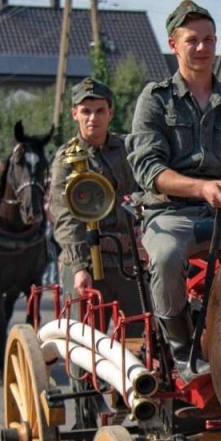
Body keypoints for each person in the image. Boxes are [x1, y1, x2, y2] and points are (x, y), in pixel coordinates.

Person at [129, 0, 221, 377]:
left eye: (209, 39)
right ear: (174, 45)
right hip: (169, 212)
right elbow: (150, 170)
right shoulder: (154, 99)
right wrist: (201, 188)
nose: (202, 47)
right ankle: (182, 348)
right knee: (166, 256)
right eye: (192, 40)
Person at [48, 77, 145, 324]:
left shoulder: (128, 149)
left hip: (129, 262)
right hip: (89, 263)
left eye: (100, 111)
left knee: (141, 337)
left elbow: (148, 191)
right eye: (86, 111)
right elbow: (64, 218)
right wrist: (79, 267)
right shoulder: (67, 160)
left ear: (110, 113)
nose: (93, 118)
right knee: (87, 341)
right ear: (74, 114)